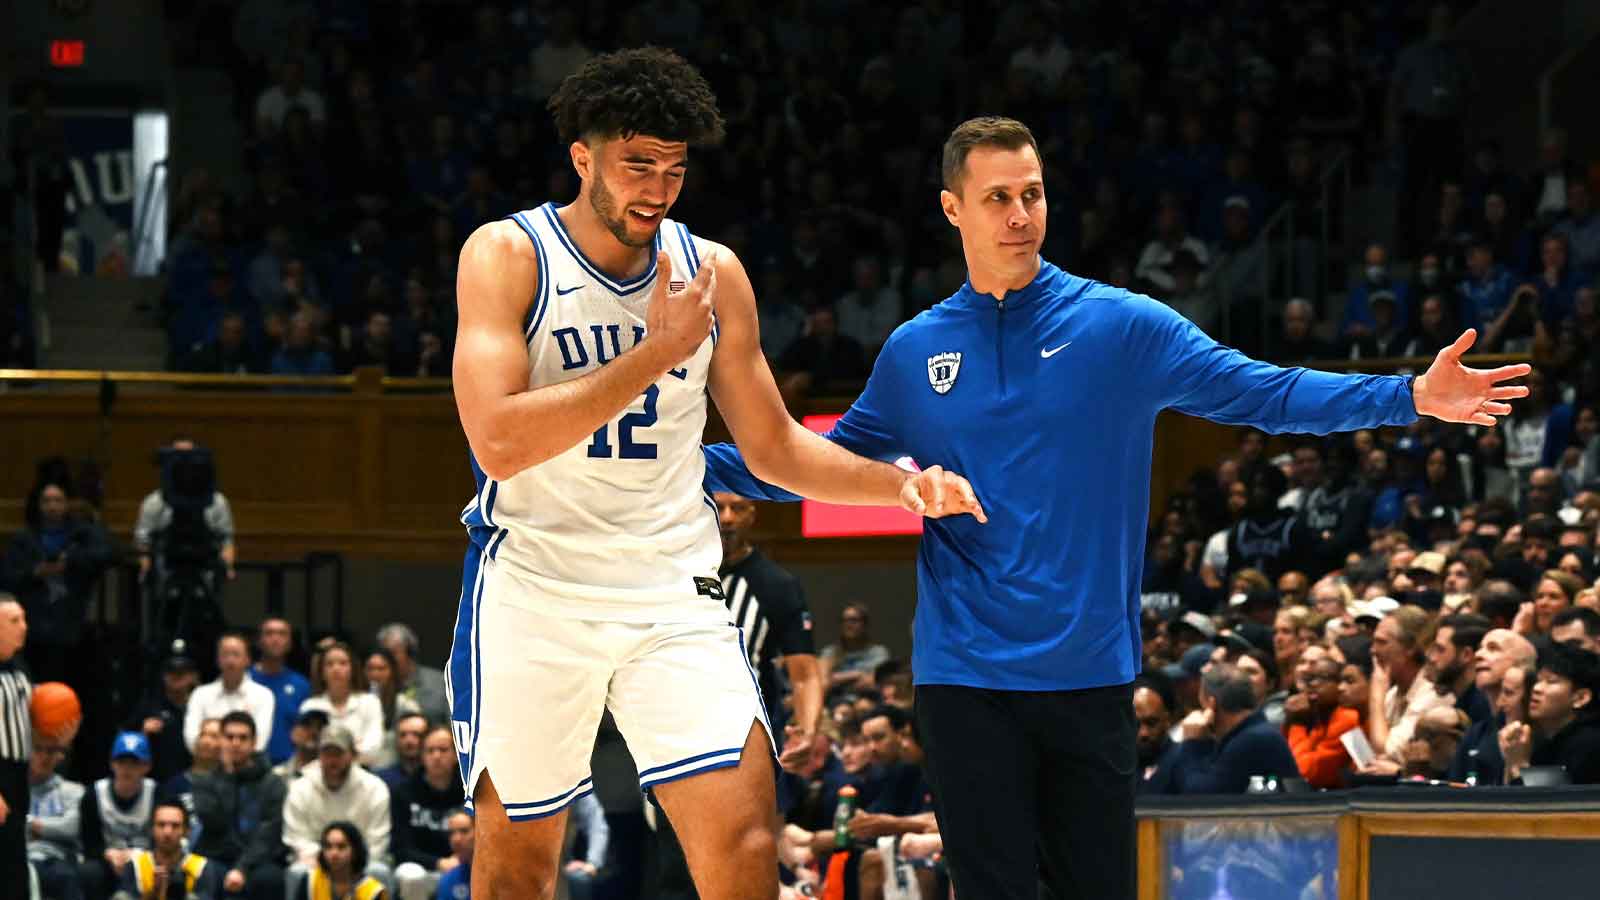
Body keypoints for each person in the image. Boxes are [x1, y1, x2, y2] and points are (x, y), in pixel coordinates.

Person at [702, 115, 1533, 898]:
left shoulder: (1121, 326)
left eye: (1032, 193)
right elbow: (810, 463)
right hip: (965, 682)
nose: (1021, 214)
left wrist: (1410, 395)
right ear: (953, 208)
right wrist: (679, 469)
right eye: (998, 198)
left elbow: (1266, 392)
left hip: (1090, 679)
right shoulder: (915, 349)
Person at [446, 47, 977, 900]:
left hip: (669, 590)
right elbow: (499, 441)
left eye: (675, 168)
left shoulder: (712, 272)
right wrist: (655, 354)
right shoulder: (507, 255)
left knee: (745, 844)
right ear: (583, 158)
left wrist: (899, 484)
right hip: (535, 590)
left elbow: (771, 447)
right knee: (513, 875)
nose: (657, 189)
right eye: (637, 165)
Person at [712, 492, 822, 769]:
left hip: (749, 733)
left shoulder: (776, 584)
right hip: (677, 730)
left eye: (737, 508)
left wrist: (807, 732)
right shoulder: (675, 573)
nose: (727, 518)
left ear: (752, 514)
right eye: (718, 507)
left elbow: (805, 673)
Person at [1, 478, 114, 684]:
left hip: (74, 623)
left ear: (67, 503)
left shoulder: (82, 533)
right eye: (46, 501)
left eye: (58, 500)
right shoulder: (25, 538)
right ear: (39, 505)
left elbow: (106, 554)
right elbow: (8, 575)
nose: (52, 506)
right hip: (36, 624)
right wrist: (36, 572)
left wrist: (69, 562)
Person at [191, 712, 286, 900]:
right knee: (202, 872)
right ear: (221, 741)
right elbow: (215, 823)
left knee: (270, 878)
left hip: (258, 861)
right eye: (230, 737)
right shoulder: (205, 782)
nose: (236, 743)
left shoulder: (272, 783)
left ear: (254, 742)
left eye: (243, 738)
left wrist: (242, 868)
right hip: (218, 856)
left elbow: (268, 834)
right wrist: (227, 776)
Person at [282, 725, 391, 888]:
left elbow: (377, 842)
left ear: (353, 756)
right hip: (313, 862)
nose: (332, 760)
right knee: (297, 872)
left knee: (379, 871)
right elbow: (296, 838)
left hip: (361, 863)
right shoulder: (300, 788)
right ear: (319, 755)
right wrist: (329, 860)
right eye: (327, 753)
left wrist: (349, 861)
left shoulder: (375, 789)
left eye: (338, 754)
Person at [1173, 664, 1300, 793]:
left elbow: (1203, 797)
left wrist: (1192, 744)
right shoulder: (1252, 732)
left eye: (1201, 703)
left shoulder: (1252, 740)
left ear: (1212, 703)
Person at [79, 732, 160, 899]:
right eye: (121, 762)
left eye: (134, 763)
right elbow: (89, 841)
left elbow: (161, 837)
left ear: (147, 766)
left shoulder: (157, 793)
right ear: (112, 764)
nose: (127, 769)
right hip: (107, 859)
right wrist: (107, 854)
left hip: (146, 858)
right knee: (88, 872)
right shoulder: (94, 794)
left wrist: (138, 855)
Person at [391, 726, 465, 900]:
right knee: (412, 876)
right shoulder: (403, 792)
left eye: (443, 750)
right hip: (420, 867)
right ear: (422, 757)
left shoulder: (469, 791)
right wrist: (438, 863)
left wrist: (460, 860)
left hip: (462, 863)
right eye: (430, 751)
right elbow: (401, 849)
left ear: (456, 755)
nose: (436, 756)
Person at [185, 634, 275, 756]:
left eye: (236, 654)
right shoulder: (200, 694)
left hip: (247, 768)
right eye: (225, 655)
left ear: (248, 660)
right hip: (208, 765)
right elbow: (191, 739)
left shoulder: (263, 695)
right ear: (218, 660)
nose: (230, 660)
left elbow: (259, 742)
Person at [111, 800, 221, 900]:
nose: (167, 832)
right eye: (161, 825)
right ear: (151, 829)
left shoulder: (201, 867)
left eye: (175, 826)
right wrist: (154, 892)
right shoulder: (136, 865)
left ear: (187, 831)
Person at [298, 642, 385, 767]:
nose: (336, 668)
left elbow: (374, 747)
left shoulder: (369, 702)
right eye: (329, 664)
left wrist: (332, 755)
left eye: (343, 663)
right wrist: (354, 747)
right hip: (320, 775)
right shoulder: (310, 706)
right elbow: (308, 750)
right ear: (321, 671)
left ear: (353, 669)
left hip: (362, 773)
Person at [27, 732, 84, 900]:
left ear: (60, 756)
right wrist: (51, 827)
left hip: (58, 859)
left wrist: (30, 824)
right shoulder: (14, 791)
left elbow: (71, 828)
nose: (44, 756)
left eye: (51, 751)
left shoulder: (73, 790)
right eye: (38, 749)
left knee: (65, 876)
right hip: (19, 858)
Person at [250, 618, 310, 766]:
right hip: (248, 764)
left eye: (282, 634)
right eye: (269, 633)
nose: (275, 639)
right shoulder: (244, 680)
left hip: (288, 766)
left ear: (290, 643)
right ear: (259, 640)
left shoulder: (302, 685)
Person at [0, 595, 30, 891]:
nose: (24, 626)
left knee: (15, 870)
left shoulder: (18, 667)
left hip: (18, 778)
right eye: (14, 621)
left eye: (23, 619)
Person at [373, 625, 447, 728]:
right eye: (384, 655)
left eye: (393, 654)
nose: (387, 660)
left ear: (410, 653)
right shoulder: (375, 687)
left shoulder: (440, 683)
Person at [291, 822, 386, 900]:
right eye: (328, 847)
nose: (334, 853)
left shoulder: (373, 892)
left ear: (356, 851)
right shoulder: (310, 881)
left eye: (341, 847)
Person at [819, 604, 891, 697]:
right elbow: (821, 682)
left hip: (867, 701)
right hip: (834, 701)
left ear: (865, 624)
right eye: (844, 620)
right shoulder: (830, 652)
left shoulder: (878, 653)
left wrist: (837, 678)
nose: (848, 624)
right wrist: (858, 674)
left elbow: (875, 682)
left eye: (854, 620)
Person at [432, 810, 473, 900]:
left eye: (464, 831)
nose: (456, 839)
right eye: (451, 833)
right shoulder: (449, 879)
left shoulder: (500, 874)